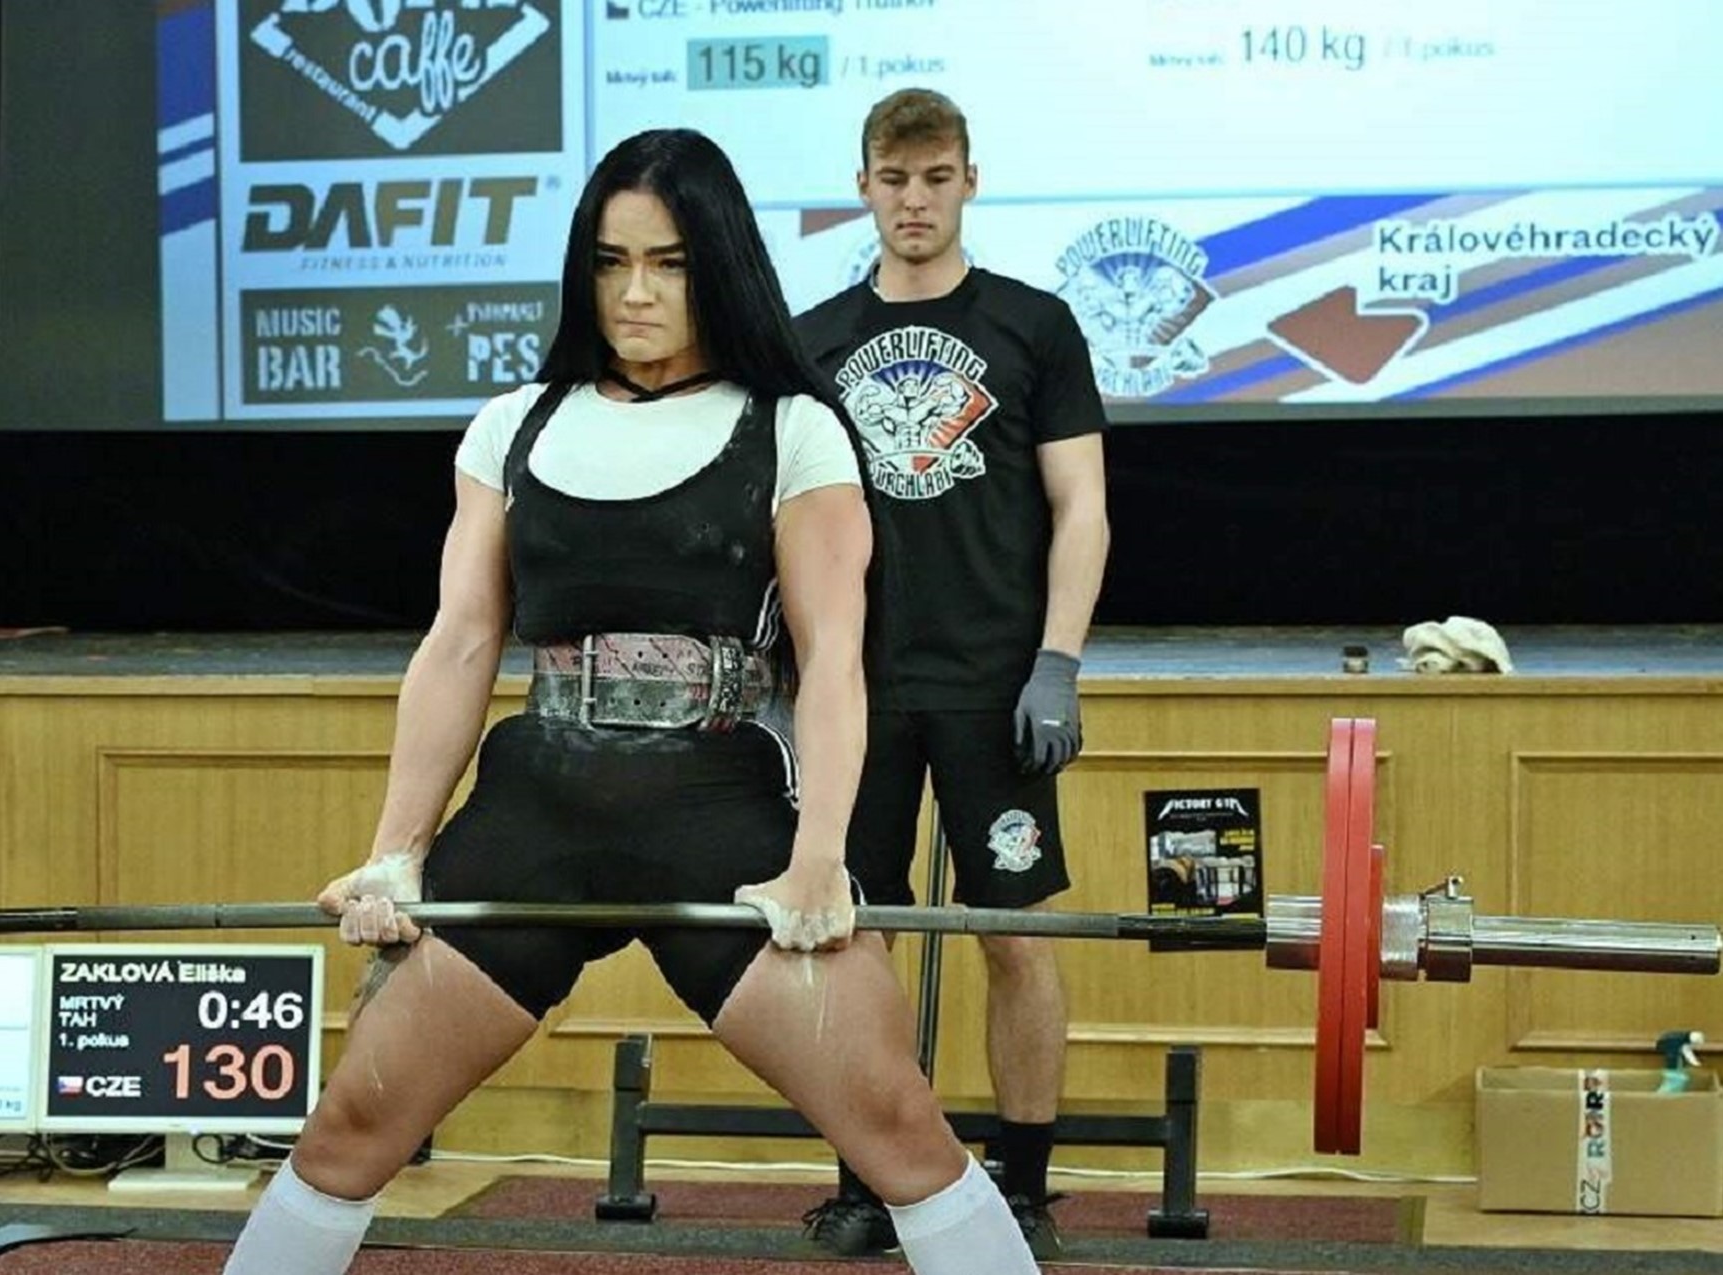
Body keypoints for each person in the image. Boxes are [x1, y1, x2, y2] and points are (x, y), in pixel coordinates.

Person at [222, 129, 1040, 1275]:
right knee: (350, 1128)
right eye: (610, 263)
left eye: (668, 263)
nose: (636, 292)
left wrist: (819, 861)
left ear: (720, 266)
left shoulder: (792, 429)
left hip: (718, 814)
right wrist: (395, 853)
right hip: (537, 812)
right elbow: (461, 643)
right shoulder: (515, 426)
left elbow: (832, 662)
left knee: (896, 1125)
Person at [793, 89, 1110, 1258]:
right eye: (893, 179)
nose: (913, 200)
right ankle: (871, 1182)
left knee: (1013, 935)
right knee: (852, 939)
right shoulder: (811, 343)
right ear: (863, 187)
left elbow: (1081, 506)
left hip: (993, 685)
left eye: (934, 178)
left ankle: (1022, 1188)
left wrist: (1057, 663)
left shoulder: (1034, 325)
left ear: (968, 180)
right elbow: (788, 524)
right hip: (858, 690)